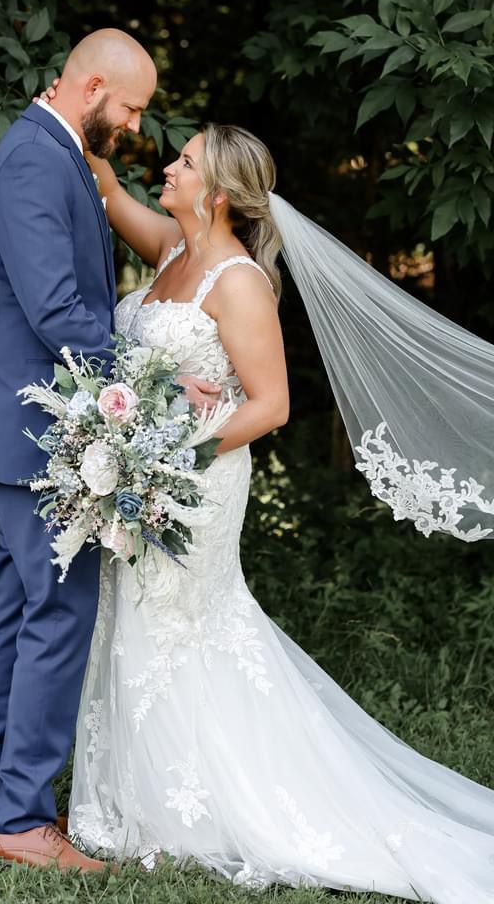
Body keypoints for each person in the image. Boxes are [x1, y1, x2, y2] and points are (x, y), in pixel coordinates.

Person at [39, 79, 494, 900]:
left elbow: (272, 405)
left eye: (181, 163)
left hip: (197, 482)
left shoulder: (238, 282)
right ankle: (124, 802)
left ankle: (190, 808)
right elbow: (108, 191)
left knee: (178, 629)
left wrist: (168, 445)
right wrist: (79, 120)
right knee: (129, 622)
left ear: (214, 195)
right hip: (147, 476)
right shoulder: (173, 252)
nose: (166, 168)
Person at [0, 27, 222, 873]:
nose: (139, 127)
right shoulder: (38, 160)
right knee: (58, 610)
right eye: (134, 107)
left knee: (17, 602)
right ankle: (23, 819)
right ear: (93, 85)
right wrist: (160, 378)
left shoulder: (53, 149)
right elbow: (60, 315)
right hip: (34, 432)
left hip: (24, 428)